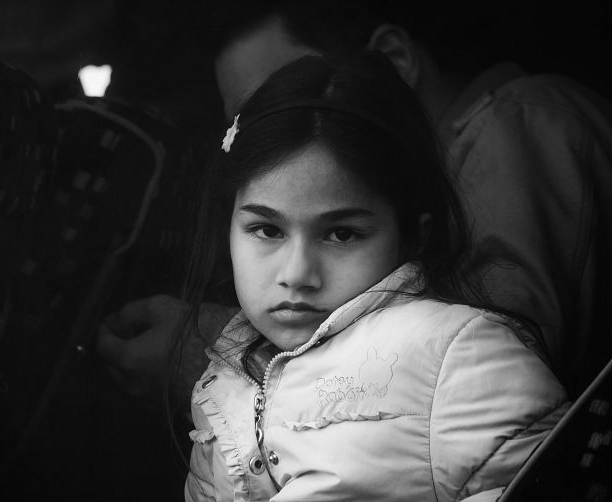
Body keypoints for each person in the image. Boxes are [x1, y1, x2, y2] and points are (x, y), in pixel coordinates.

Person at [97, 0, 612, 401]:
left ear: (393, 59)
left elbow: (500, 365)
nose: (278, 137)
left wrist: (227, 355)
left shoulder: (521, 121)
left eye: (296, 94)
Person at [182, 52, 567, 502]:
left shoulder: (458, 356)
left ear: (412, 236)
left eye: (342, 234)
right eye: (266, 230)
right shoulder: (221, 384)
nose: (297, 274)